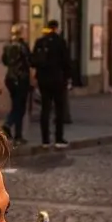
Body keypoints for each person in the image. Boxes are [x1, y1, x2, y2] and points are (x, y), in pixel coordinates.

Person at [31, 19, 71, 150]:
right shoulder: (60, 42)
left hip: (43, 80)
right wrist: (68, 78)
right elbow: (66, 62)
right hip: (58, 80)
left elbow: (33, 61)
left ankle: (45, 140)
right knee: (59, 110)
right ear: (57, 28)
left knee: (45, 109)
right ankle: (59, 139)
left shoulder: (40, 42)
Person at [1, 24, 32, 144]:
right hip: (21, 79)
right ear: (21, 33)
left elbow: (4, 61)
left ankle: (18, 136)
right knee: (20, 107)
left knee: (16, 104)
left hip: (10, 78)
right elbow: (29, 61)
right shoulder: (23, 46)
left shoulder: (7, 46)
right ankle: (7, 124)